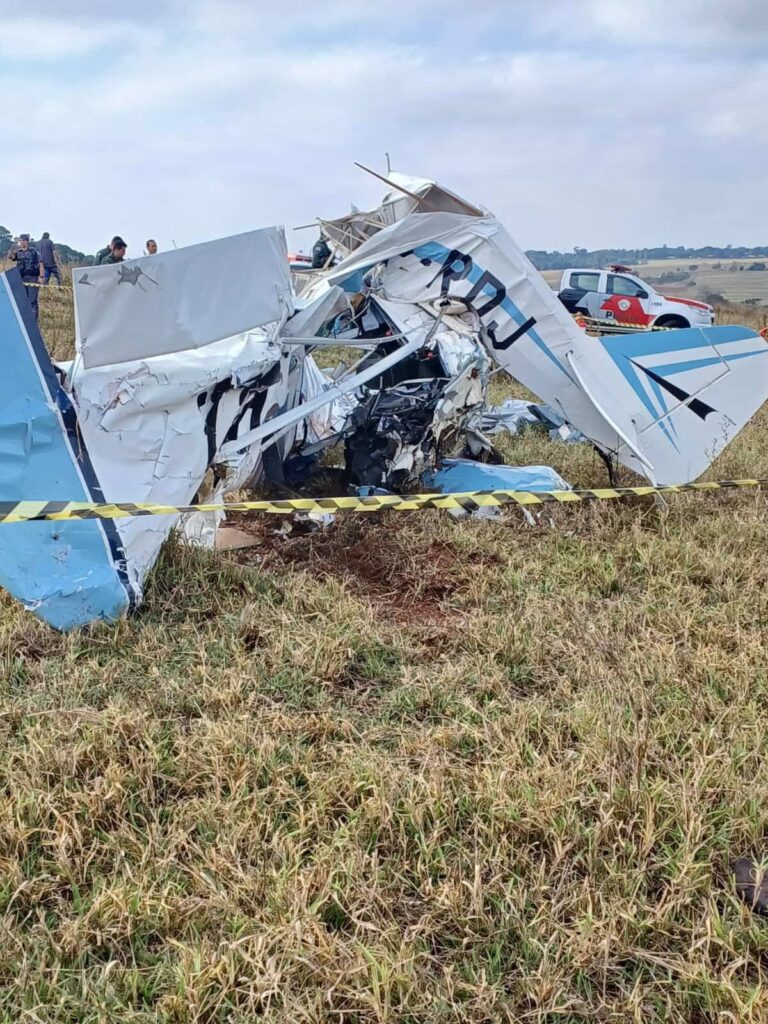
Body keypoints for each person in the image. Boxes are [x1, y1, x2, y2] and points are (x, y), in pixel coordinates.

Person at [7, 234, 44, 320]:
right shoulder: (18, 252)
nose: (21, 242)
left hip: (33, 277)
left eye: (22, 240)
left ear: (26, 241)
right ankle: (26, 318)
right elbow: (10, 257)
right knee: (24, 299)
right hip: (21, 278)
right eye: (20, 240)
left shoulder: (34, 251)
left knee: (32, 299)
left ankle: (34, 319)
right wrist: (13, 247)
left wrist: (41, 276)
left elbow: (41, 263)